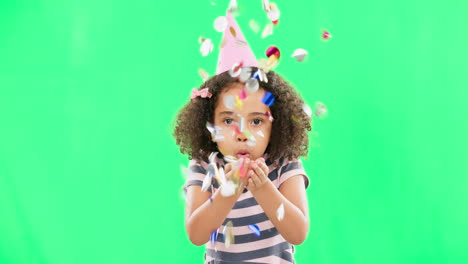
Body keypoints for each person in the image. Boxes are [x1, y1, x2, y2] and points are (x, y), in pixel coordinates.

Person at [172, 9, 313, 264]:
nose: (242, 134)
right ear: (208, 124)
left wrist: (262, 187)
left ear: (275, 124)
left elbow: (298, 232)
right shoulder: (204, 165)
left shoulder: (283, 163)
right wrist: (228, 190)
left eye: (256, 121)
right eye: (228, 121)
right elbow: (195, 233)